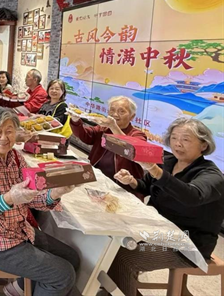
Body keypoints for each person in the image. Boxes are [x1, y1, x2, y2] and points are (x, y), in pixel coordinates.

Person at [0, 107, 80, 296]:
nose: (4, 137)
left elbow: (33, 195)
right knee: (63, 275)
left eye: (9, 131)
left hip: (18, 230)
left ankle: (19, 289)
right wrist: (10, 198)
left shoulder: (16, 158)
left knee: (72, 258)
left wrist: (57, 192)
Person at [109, 118, 224, 296]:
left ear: (203, 145)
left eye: (186, 139)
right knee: (111, 242)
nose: (178, 143)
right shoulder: (169, 161)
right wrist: (131, 181)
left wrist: (156, 171)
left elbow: (192, 196)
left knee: (124, 258)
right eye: (174, 138)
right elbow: (147, 186)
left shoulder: (211, 174)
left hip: (186, 243)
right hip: (156, 230)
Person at [70, 95, 146, 194]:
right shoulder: (104, 128)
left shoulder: (138, 134)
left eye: (121, 111)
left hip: (122, 186)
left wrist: (113, 126)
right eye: (112, 110)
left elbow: (132, 149)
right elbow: (85, 136)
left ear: (132, 116)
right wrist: (75, 120)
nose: (115, 114)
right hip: (97, 178)